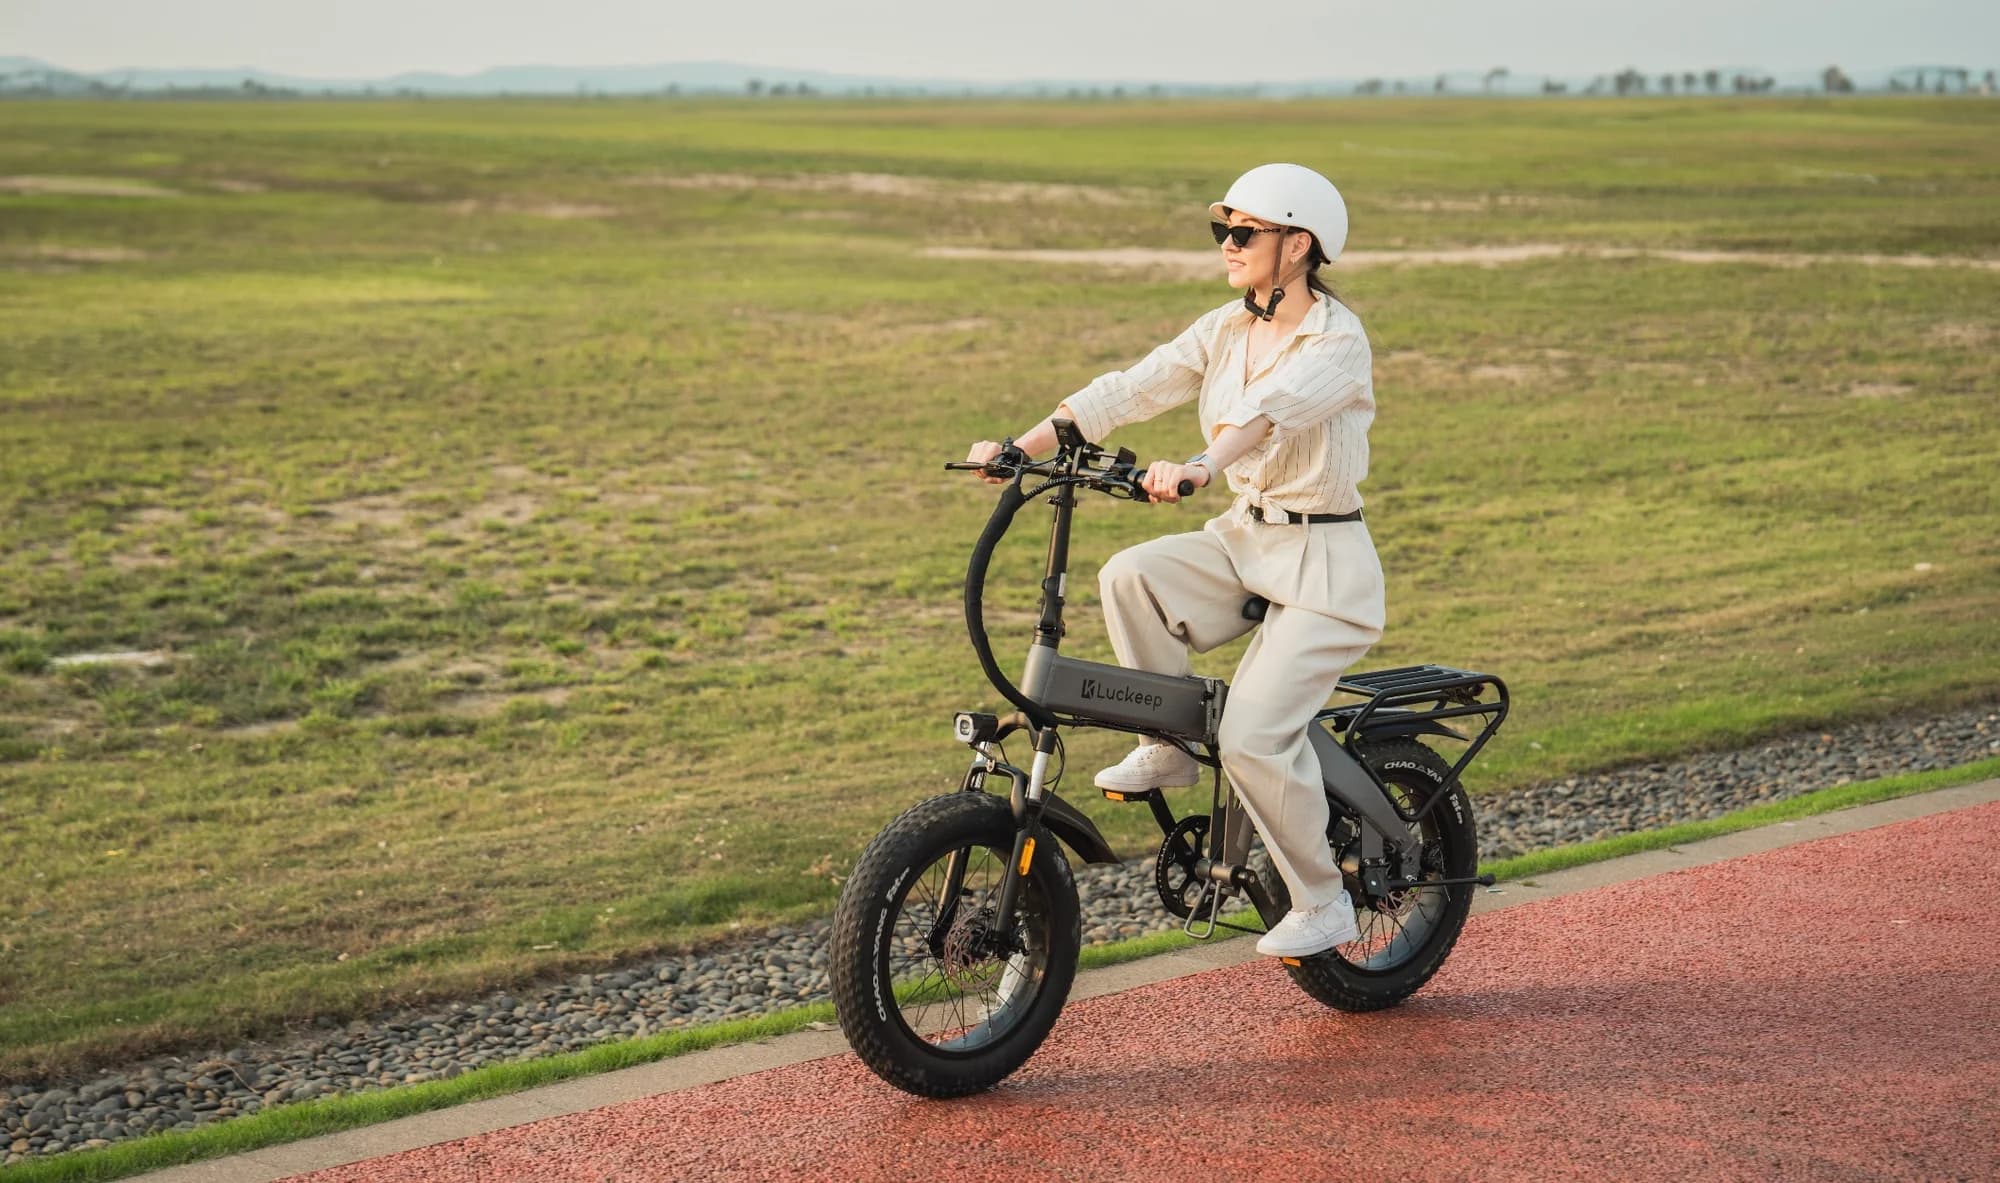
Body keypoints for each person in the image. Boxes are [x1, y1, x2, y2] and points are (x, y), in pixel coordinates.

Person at [964, 163, 1383, 959]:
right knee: (1130, 574)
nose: (1227, 245)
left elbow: (1268, 414)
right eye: (1222, 230)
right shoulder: (1226, 328)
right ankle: (1167, 747)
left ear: (1297, 246)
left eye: (1244, 232)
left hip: (1324, 564)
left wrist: (1197, 463)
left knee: (1255, 736)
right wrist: (1020, 448)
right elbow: (1129, 388)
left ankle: (1324, 899)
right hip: (1246, 537)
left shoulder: (1336, 339)